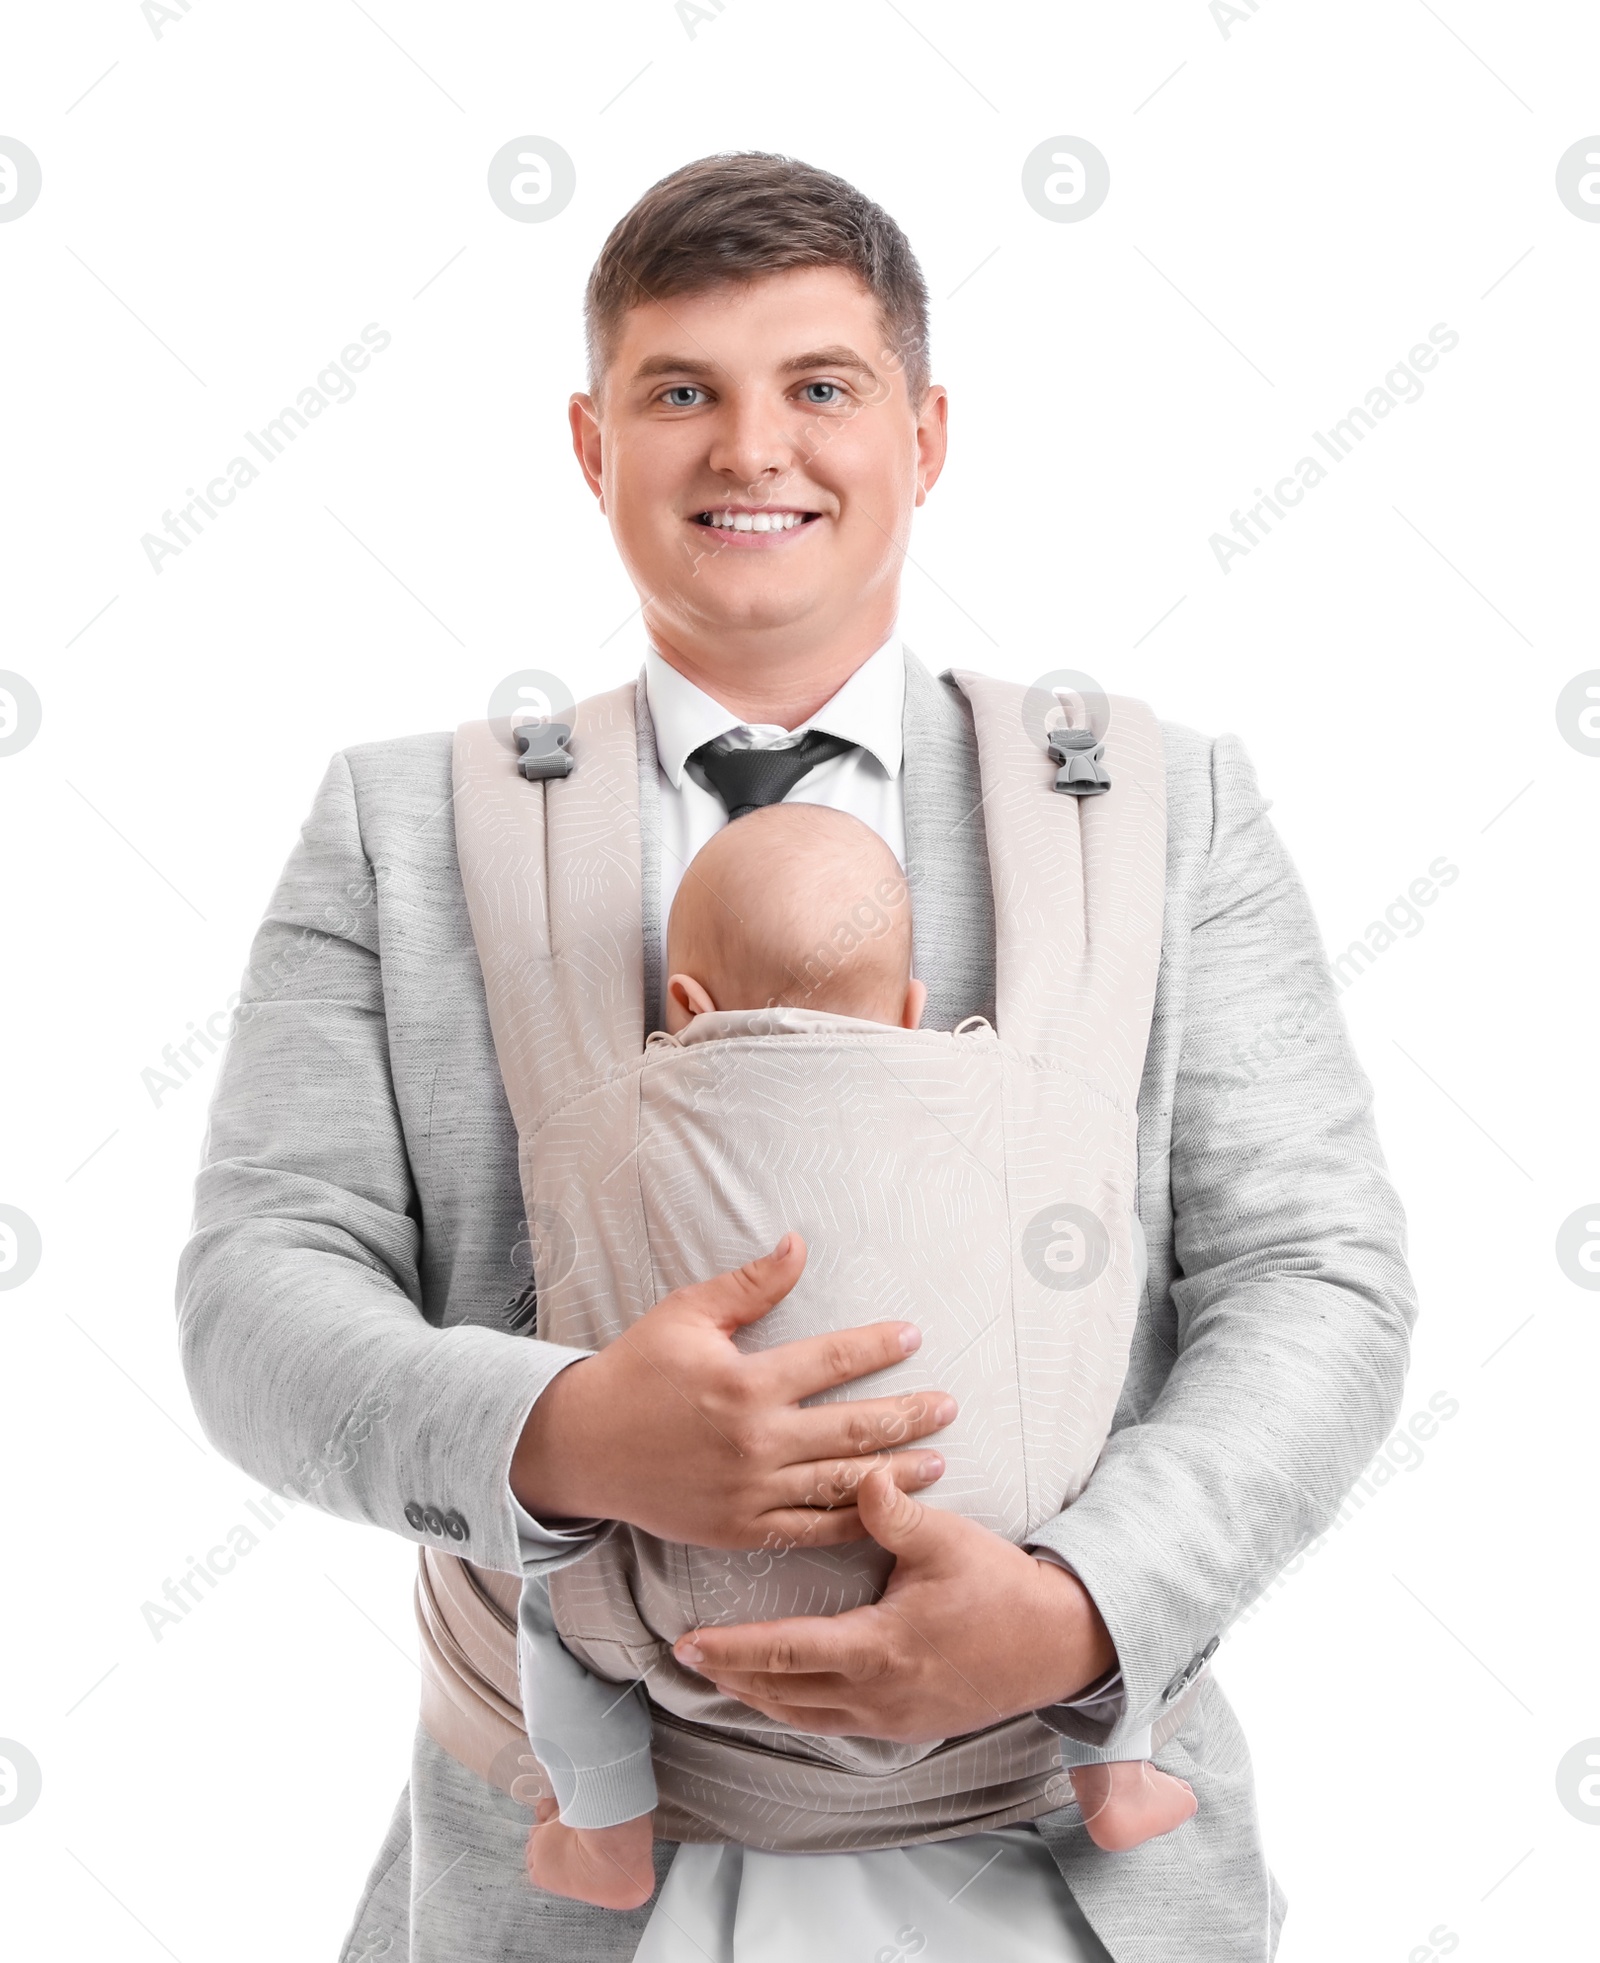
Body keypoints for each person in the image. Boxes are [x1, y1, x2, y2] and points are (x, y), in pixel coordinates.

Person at [177, 152, 1415, 1961]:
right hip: (559, 1865)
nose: (753, 449)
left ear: (924, 436)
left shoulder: (1157, 812)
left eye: (819, 387)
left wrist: (1083, 1605)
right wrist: (561, 1429)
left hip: (1065, 1874)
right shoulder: (407, 832)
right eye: (682, 392)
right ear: (596, 448)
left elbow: (1319, 1276)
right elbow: (255, 1300)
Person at [517, 802, 1197, 1910]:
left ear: (683, 1005)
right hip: (993, 1528)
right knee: (1097, 1509)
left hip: (690, 1610)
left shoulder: (608, 1124)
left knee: (549, 1590)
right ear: (913, 1010)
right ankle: (1115, 1765)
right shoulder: (1005, 1102)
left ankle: (603, 1827)